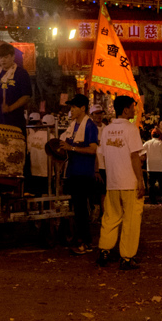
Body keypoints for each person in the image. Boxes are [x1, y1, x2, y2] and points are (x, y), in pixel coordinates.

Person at [95, 96, 145, 270]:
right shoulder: (131, 129)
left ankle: (104, 250)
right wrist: (140, 180)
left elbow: (100, 155)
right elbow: (134, 156)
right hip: (129, 181)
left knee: (111, 217)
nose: (134, 110)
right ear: (125, 110)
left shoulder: (107, 130)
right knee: (131, 219)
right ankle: (127, 257)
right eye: (132, 107)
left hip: (113, 181)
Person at [61, 94, 100, 255]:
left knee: (81, 209)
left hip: (84, 172)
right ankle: (80, 239)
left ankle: (85, 241)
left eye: (74, 107)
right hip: (73, 171)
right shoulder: (73, 126)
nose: (71, 110)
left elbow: (92, 149)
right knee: (77, 208)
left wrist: (72, 149)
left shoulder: (89, 126)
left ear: (82, 108)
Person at [0, 44, 31, 130]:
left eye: (6, 57)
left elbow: (26, 96)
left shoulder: (21, 73)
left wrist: (10, 108)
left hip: (14, 120)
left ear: (13, 57)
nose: (3, 60)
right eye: (0, 58)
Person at [25, 113, 55, 196]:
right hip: (46, 172)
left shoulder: (33, 135)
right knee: (46, 195)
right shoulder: (51, 137)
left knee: (37, 195)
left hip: (34, 171)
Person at [142, 130, 162, 204]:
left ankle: (153, 200)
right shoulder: (161, 144)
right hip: (159, 166)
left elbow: (140, 151)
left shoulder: (147, 143)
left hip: (150, 166)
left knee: (151, 185)